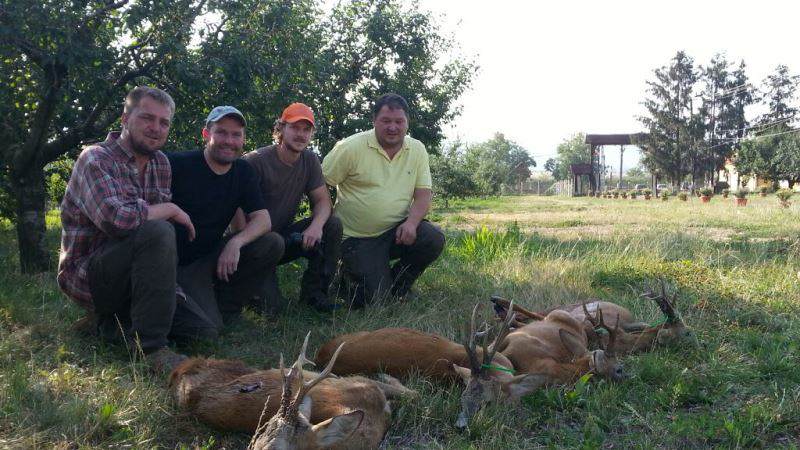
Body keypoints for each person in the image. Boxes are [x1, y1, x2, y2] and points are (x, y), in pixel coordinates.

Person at [58, 86, 198, 373]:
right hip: (89, 274)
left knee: (199, 330)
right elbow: (117, 220)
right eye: (147, 118)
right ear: (125, 118)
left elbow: (153, 247)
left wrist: (173, 293)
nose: (155, 128)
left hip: (134, 274)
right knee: (159, 229)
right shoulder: (95, 158)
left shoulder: (161, 163)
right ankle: (151, 350)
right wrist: (172, 210)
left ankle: (107, 325)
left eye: (164, 122)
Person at [322, 93, 445, 307]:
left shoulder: (417, 149)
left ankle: (397, 288)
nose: (393, 127)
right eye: (386, 121)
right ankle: (345, 279)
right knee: (372, 303)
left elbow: (423, 194)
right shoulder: (349, 148)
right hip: (355, 239)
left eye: (399, 121)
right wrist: (326, 222)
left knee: (433, 238)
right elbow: (320, 184)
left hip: (395, 233)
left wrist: (412, 223)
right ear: (374, 121)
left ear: (407, 122)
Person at [168, 106, 284, 324]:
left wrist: (235, 243)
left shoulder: (242, 171)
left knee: (272, 243)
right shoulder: (178, 164)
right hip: (179, 263)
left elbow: (263, 219)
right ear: (206, 134)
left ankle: (226, 307)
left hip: (211, 255)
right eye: (221, 132)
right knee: (205, 330)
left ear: (243, 139)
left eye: (236, 135)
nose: (229, 141)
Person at [242, 103, 342, 312]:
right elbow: (237, 215)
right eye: (295, 127)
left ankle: (315, 295)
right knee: (271, 310)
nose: (301, 134)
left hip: (284, 238)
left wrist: (315, 226)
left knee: (331, 224)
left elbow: (323, 201)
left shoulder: (309, 160)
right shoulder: (255, 161)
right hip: (255, 242)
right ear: (281, 128)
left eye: (306, 129)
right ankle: (249, 286)